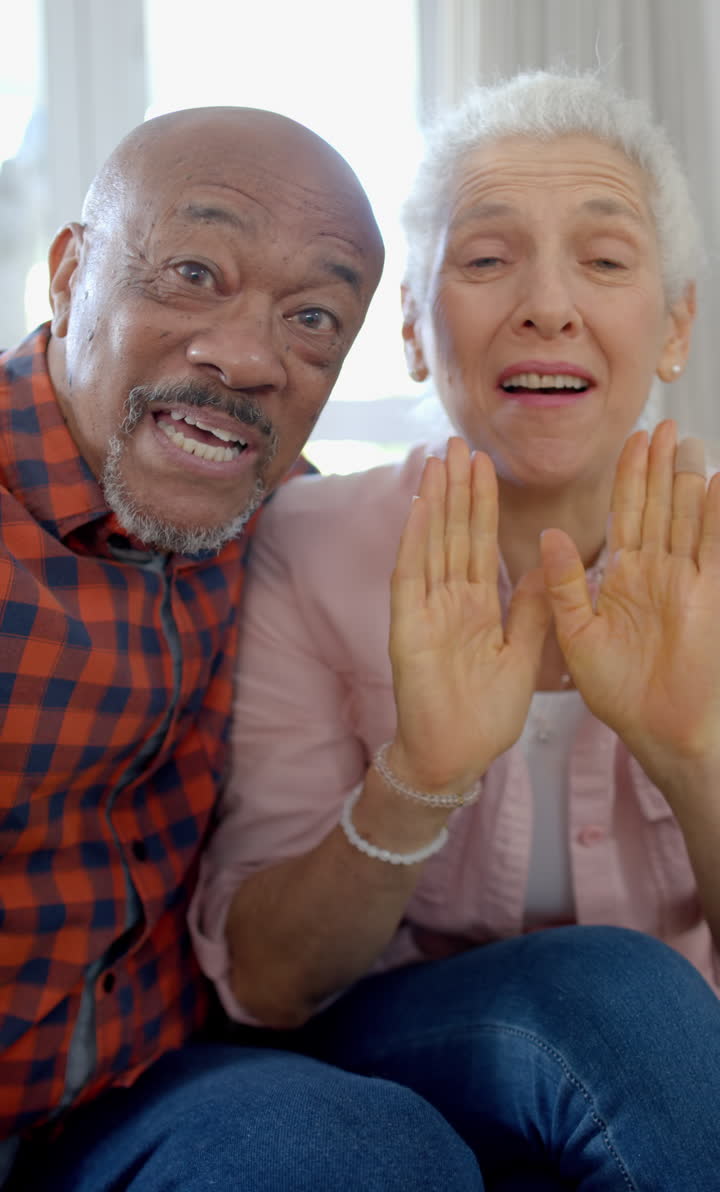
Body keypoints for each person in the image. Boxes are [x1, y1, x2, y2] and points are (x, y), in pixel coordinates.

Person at [192, 73, 720, 1191]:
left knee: (635, 998)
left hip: (675, 1067)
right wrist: (423, 774)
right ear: (413, 330)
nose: (548, 305)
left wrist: (692, 756)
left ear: (675, 324)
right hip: (395, 1037)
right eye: (486, 259)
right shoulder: (309, 541)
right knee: (613, 990)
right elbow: (270, 983)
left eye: (605, 259)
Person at [0, 106, 487, 1191]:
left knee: (372, 1151)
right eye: (192, 273)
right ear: (71, 274)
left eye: (313, 318)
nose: (250, 356)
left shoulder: (285, 522)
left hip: (149, 1088)